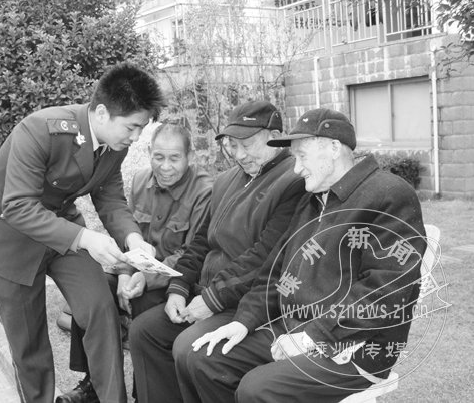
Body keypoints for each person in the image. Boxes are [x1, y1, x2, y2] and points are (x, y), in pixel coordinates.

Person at [183, 108, 427, 403]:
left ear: (334, 148)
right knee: (203, 358)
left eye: (302, 156)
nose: (296, 169)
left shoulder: (389, 194)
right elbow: (276, 272)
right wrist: (244, 321)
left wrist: (315, 335)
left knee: (257, 388)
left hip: (354, 344)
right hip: (293, 326)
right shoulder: (311, 200)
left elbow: (387, 287)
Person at [0, 62, 165, 403]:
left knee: (100, 308)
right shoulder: (41, 130)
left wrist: (133, 239)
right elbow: (17, 206)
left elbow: (111, 198)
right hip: (9, 238)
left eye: (140, 129)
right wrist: (86, 238)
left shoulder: (115, 144)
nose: (135, 138)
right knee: (30, 344)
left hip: (62, 231)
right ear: (102, 113)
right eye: (132, 127)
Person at [129, 100, 306, 403]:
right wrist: (178, 289)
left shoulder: (293, 182)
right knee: (145, 331)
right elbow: (200, 243)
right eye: (233, 146)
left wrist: (212, 299)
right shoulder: (226, 181)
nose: (239, 155)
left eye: (247, 145)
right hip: (206, 292)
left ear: (276, 137)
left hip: (247, 301)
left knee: (191, 347)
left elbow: (266, 256)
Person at [58, 120, 213, 403]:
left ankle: (144, 392)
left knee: (142, 304)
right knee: (92, 289)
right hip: (138, 272)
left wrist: (145, 278)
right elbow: (129, 236)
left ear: (190, 157)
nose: (165, 167)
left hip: (178, 282)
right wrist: (125, 274)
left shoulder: (205, 191)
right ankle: (93, 383)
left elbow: (193, 252)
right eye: (158, 157)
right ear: (149, 153)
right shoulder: (141, 180)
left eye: (174, 158)